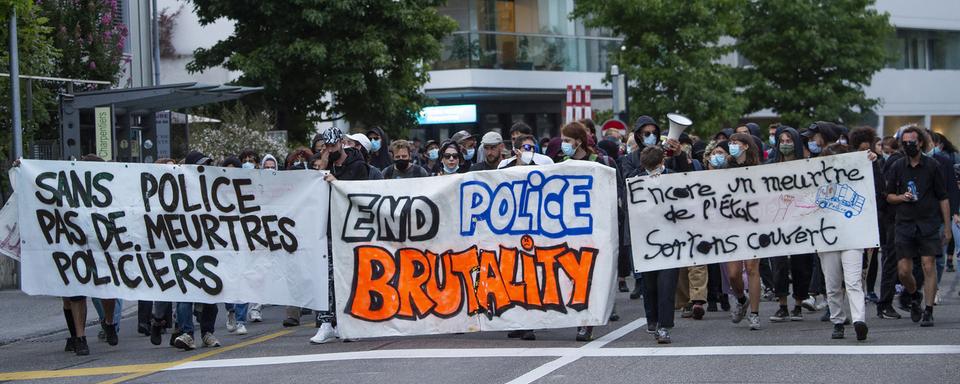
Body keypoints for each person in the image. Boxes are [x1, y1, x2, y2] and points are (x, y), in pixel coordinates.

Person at [885, 126, 951, 327]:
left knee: (928, 264)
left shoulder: (932, 166)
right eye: (904, 143)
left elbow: (943, 197)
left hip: (928, 222)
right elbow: (888, 196)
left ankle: (928, 310)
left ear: (920, 142)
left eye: (912, 142)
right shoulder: (897, 166)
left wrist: (947, 227)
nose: (908, 146)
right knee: (904, 270)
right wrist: (900, 197)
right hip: (904, 223)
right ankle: (914, 296)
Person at [558, 121, 619, 341]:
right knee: (573, 276)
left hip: (596, 228)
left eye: (567, 140)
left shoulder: (602, 162)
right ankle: (581, 319)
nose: (563, 144)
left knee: (591, 276)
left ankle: (586, 322)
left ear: (578, 141)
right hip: (569, 229)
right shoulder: (560, 165)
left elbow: (615, 192)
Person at [311, 127, 369, 344]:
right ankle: (327, 322)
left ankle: (351, 321)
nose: (330, 149)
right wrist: (323, 165)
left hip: (351, 230)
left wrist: (337, 182)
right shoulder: (326, 165)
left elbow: (358, 193)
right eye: (326, 146)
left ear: (342, 143)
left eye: (333, 145)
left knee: (352, 276)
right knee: (327, 276)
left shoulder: (358, 166)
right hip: (329, 229)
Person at [817, 143, 870, 340]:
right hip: (827, 238)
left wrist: (871, 159)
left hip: (852, 237)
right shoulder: (817, 180)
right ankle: (838, 320)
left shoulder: (857, 177)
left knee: (853, 280)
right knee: (832, 283)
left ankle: (859, 320)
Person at [766, 126, 814, 323]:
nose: (785, 144)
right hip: (778, 223)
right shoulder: (770, 165)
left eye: (789, 141)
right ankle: (782, 305)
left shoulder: (807, 166)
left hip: (802, 222)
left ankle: (798, 305)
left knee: (801, 265)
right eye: (782, 141)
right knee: (779, 265)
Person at [631, 146, 678, 343]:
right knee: (649, 284)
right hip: (646, 240)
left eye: (655, 168)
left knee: (667, 285)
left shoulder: (675, 178)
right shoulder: (635, 180)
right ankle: (652, 319)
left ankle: (664, 325)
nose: (652, 172)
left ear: (662, 164)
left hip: (671, 240)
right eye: (648, 169)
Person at [723, 133, 764, 330]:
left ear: (746, 146)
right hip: (731, 225)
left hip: (754, 223)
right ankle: (741, 299)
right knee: (733, 274)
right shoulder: (724, 168)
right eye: (730, 143)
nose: (731, 146)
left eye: (735, 143)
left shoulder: (758, 169)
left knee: (752, 268)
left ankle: (754, 314)